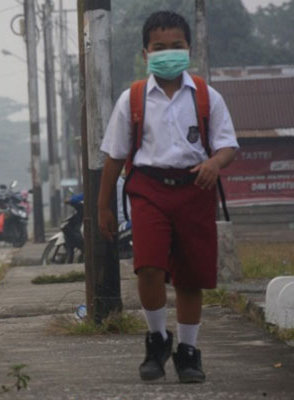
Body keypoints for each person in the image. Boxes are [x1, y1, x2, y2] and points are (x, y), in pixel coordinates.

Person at [97, 11, 238, 384]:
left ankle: (189, 352)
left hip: (195, 189)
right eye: (159, 48)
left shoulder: (208, 97)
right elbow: (113, 157)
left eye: (176, 46)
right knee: (149, 267)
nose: (168, 53)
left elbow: (227, 145)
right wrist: (103, 208)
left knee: (191, 276)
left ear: (188, 48)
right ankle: (157, 339)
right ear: (146, 53)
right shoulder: (134, 99)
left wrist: (214, 163)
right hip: (148, 189)